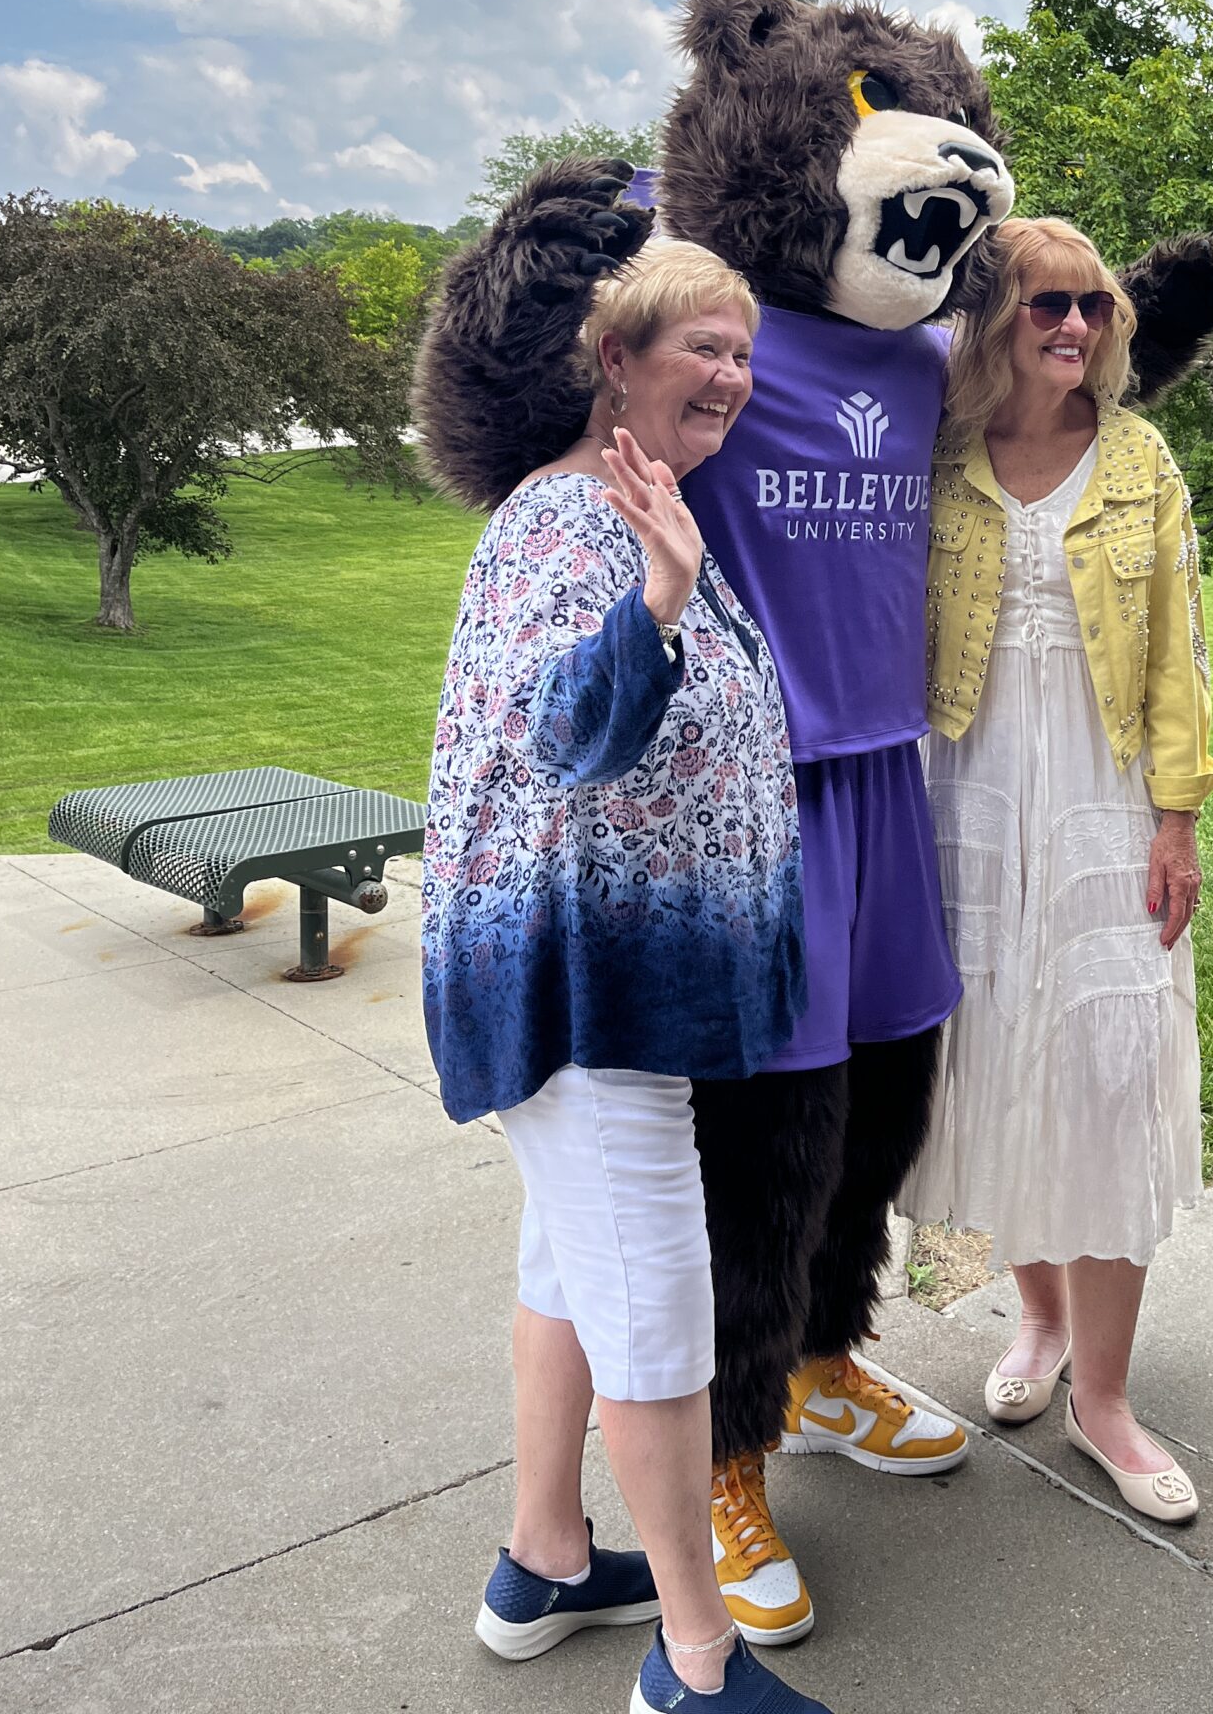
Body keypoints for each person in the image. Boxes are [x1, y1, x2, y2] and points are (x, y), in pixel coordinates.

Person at [419, 239, 829, 1713]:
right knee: (658, 1311)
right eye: (702, 348)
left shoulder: (639, 508)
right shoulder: (566, 527)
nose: (733, 375)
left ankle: (540, 1560)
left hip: (618, 986)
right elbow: (563, 738)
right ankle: (696, 1664)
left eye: (744, 353)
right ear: (616, 360)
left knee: (565, 1267)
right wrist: (657, 599)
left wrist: (671, 576)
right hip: (578, 984)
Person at [908, 216, 1213, 1524]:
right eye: (1047, 306)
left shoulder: (1140, 462)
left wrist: (1177, 820)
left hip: (1104, 802)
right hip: (967, 801)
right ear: (995, 321)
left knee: (1105, 1076)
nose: (1076, 327)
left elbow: (1181, 655)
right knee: (1002, 1065)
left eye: (1094, 306)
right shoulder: (942, 456)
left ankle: (1104, 1400)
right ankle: (1038, 1327)